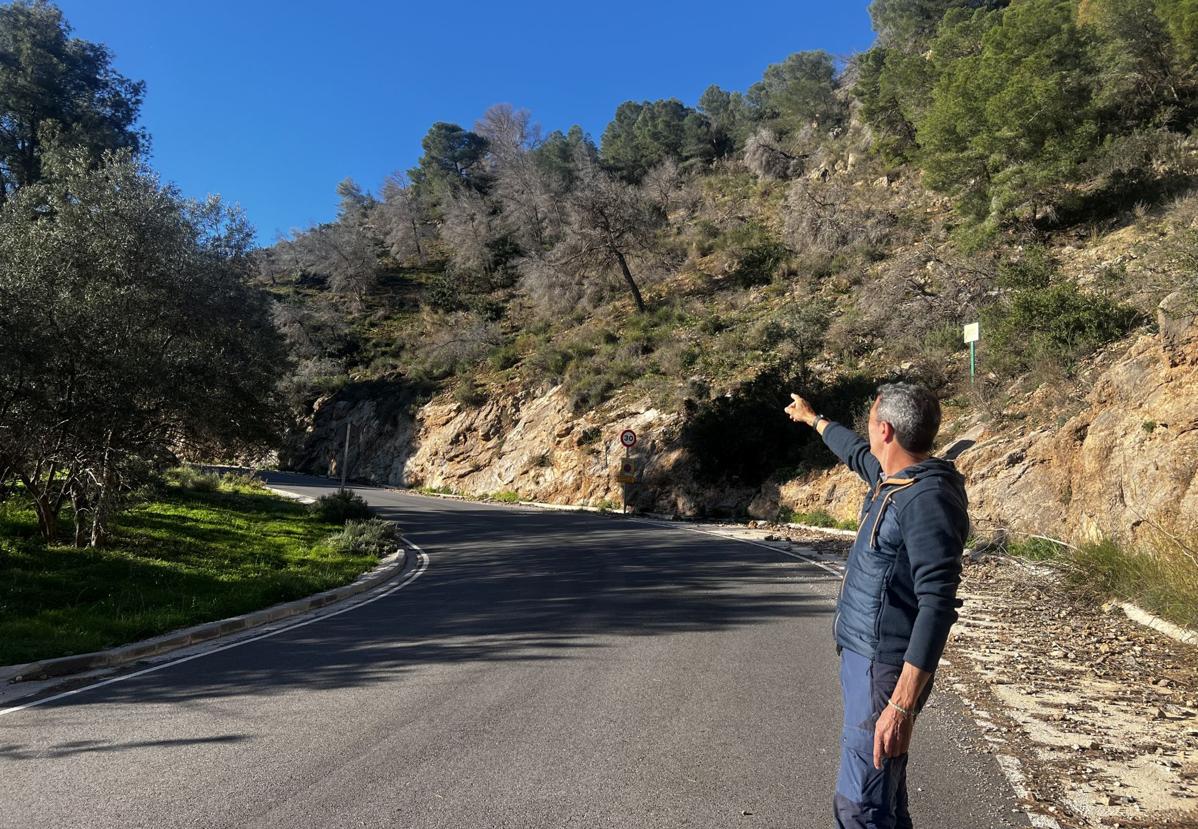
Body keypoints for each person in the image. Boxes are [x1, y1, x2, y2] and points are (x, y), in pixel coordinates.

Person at [784, 383, 969, 829]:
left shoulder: (926, 499)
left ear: (884, 430)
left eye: (870, 422)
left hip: (884, 668)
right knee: (884, 796)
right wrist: (814, 419)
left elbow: (937, 605)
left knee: (861, 806)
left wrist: (901, 704)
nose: (866, 432)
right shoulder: (894, 479)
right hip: (866, 659)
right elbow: (853, 451)